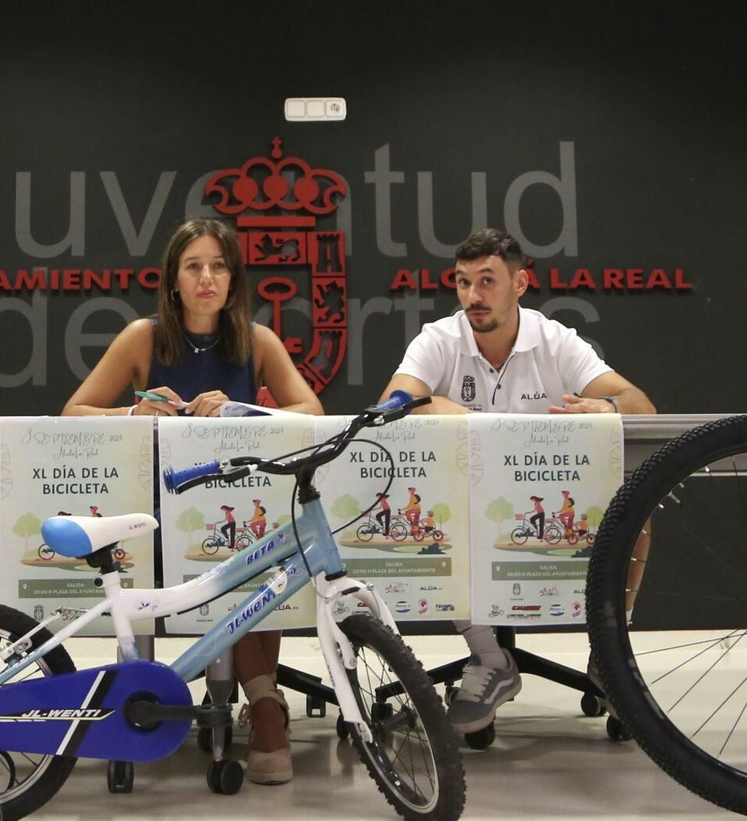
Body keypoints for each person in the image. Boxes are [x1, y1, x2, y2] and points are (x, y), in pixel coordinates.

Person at [62, 217, 323, 785]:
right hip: (157, 503)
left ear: (233, 279)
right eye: (194, 266)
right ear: (173, 281)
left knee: (260, 548)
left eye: (219, 265)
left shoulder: (257, 340)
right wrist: (133, 413)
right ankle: (173, 697)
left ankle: (263, 703)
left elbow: (312, 413)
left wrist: (242, 410)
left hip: (235, 499)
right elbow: (72, 414)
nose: (207, 277)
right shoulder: (142, 336)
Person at [381, 228, 654, 735]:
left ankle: (610, 655)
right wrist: (442, 407)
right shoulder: (440, 339)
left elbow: (641, 404)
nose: (473, 296)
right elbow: (393, 402)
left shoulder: (555, 340)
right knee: (437, 516)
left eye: (487, 281)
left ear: (520, 283)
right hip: (469, 503)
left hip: (551, 498)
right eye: (463, 283)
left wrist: (607, 405)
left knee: (636, 507)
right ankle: (491, 660)